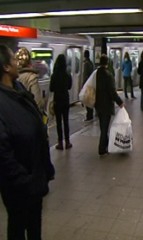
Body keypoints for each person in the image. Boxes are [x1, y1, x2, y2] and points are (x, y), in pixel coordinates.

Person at [0, 44, 55, 240]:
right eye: (14, 60)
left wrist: (45, 169)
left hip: (34, 177)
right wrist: (25, 181)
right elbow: (3, 154)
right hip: (20, 185)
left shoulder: (19, 88)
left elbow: (37, 123)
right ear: (6, 67)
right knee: (17, 226)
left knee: (34, 227)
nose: (18, 63)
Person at [95, 55, 124, 155]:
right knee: (104, 128)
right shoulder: (108, 75)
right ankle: (102, 149)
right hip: (106, 105)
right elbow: (112, 92)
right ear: (107, 63)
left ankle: (105, 145)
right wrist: (120, 102)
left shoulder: (97, 73)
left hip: (98, 104)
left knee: (103, 127)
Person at [50, 54, 73, 150]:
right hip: (65, 99)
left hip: (57, 100)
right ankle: (67, 142)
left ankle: (60, 143)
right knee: (66, 121)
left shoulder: (54, 75)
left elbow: (51, 88)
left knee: (58, 122)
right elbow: (69, 86)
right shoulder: (67, 74)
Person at [82, 49, 94, 122]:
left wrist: (83, 85)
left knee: (87, 100)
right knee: (90, 100)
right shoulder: (91, 63)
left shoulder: (86, 64)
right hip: (90, 84)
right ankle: (90, 115)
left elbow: (85, 75)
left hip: (87, 84)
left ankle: (89, 116)